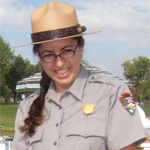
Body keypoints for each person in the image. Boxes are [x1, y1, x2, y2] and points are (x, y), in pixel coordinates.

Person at [12, 1, 147, 150]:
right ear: (39, 56)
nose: (59, 63)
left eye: (67, 51)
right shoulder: (28, 107)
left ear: (81, 47)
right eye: (48, 55)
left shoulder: (112, 93)